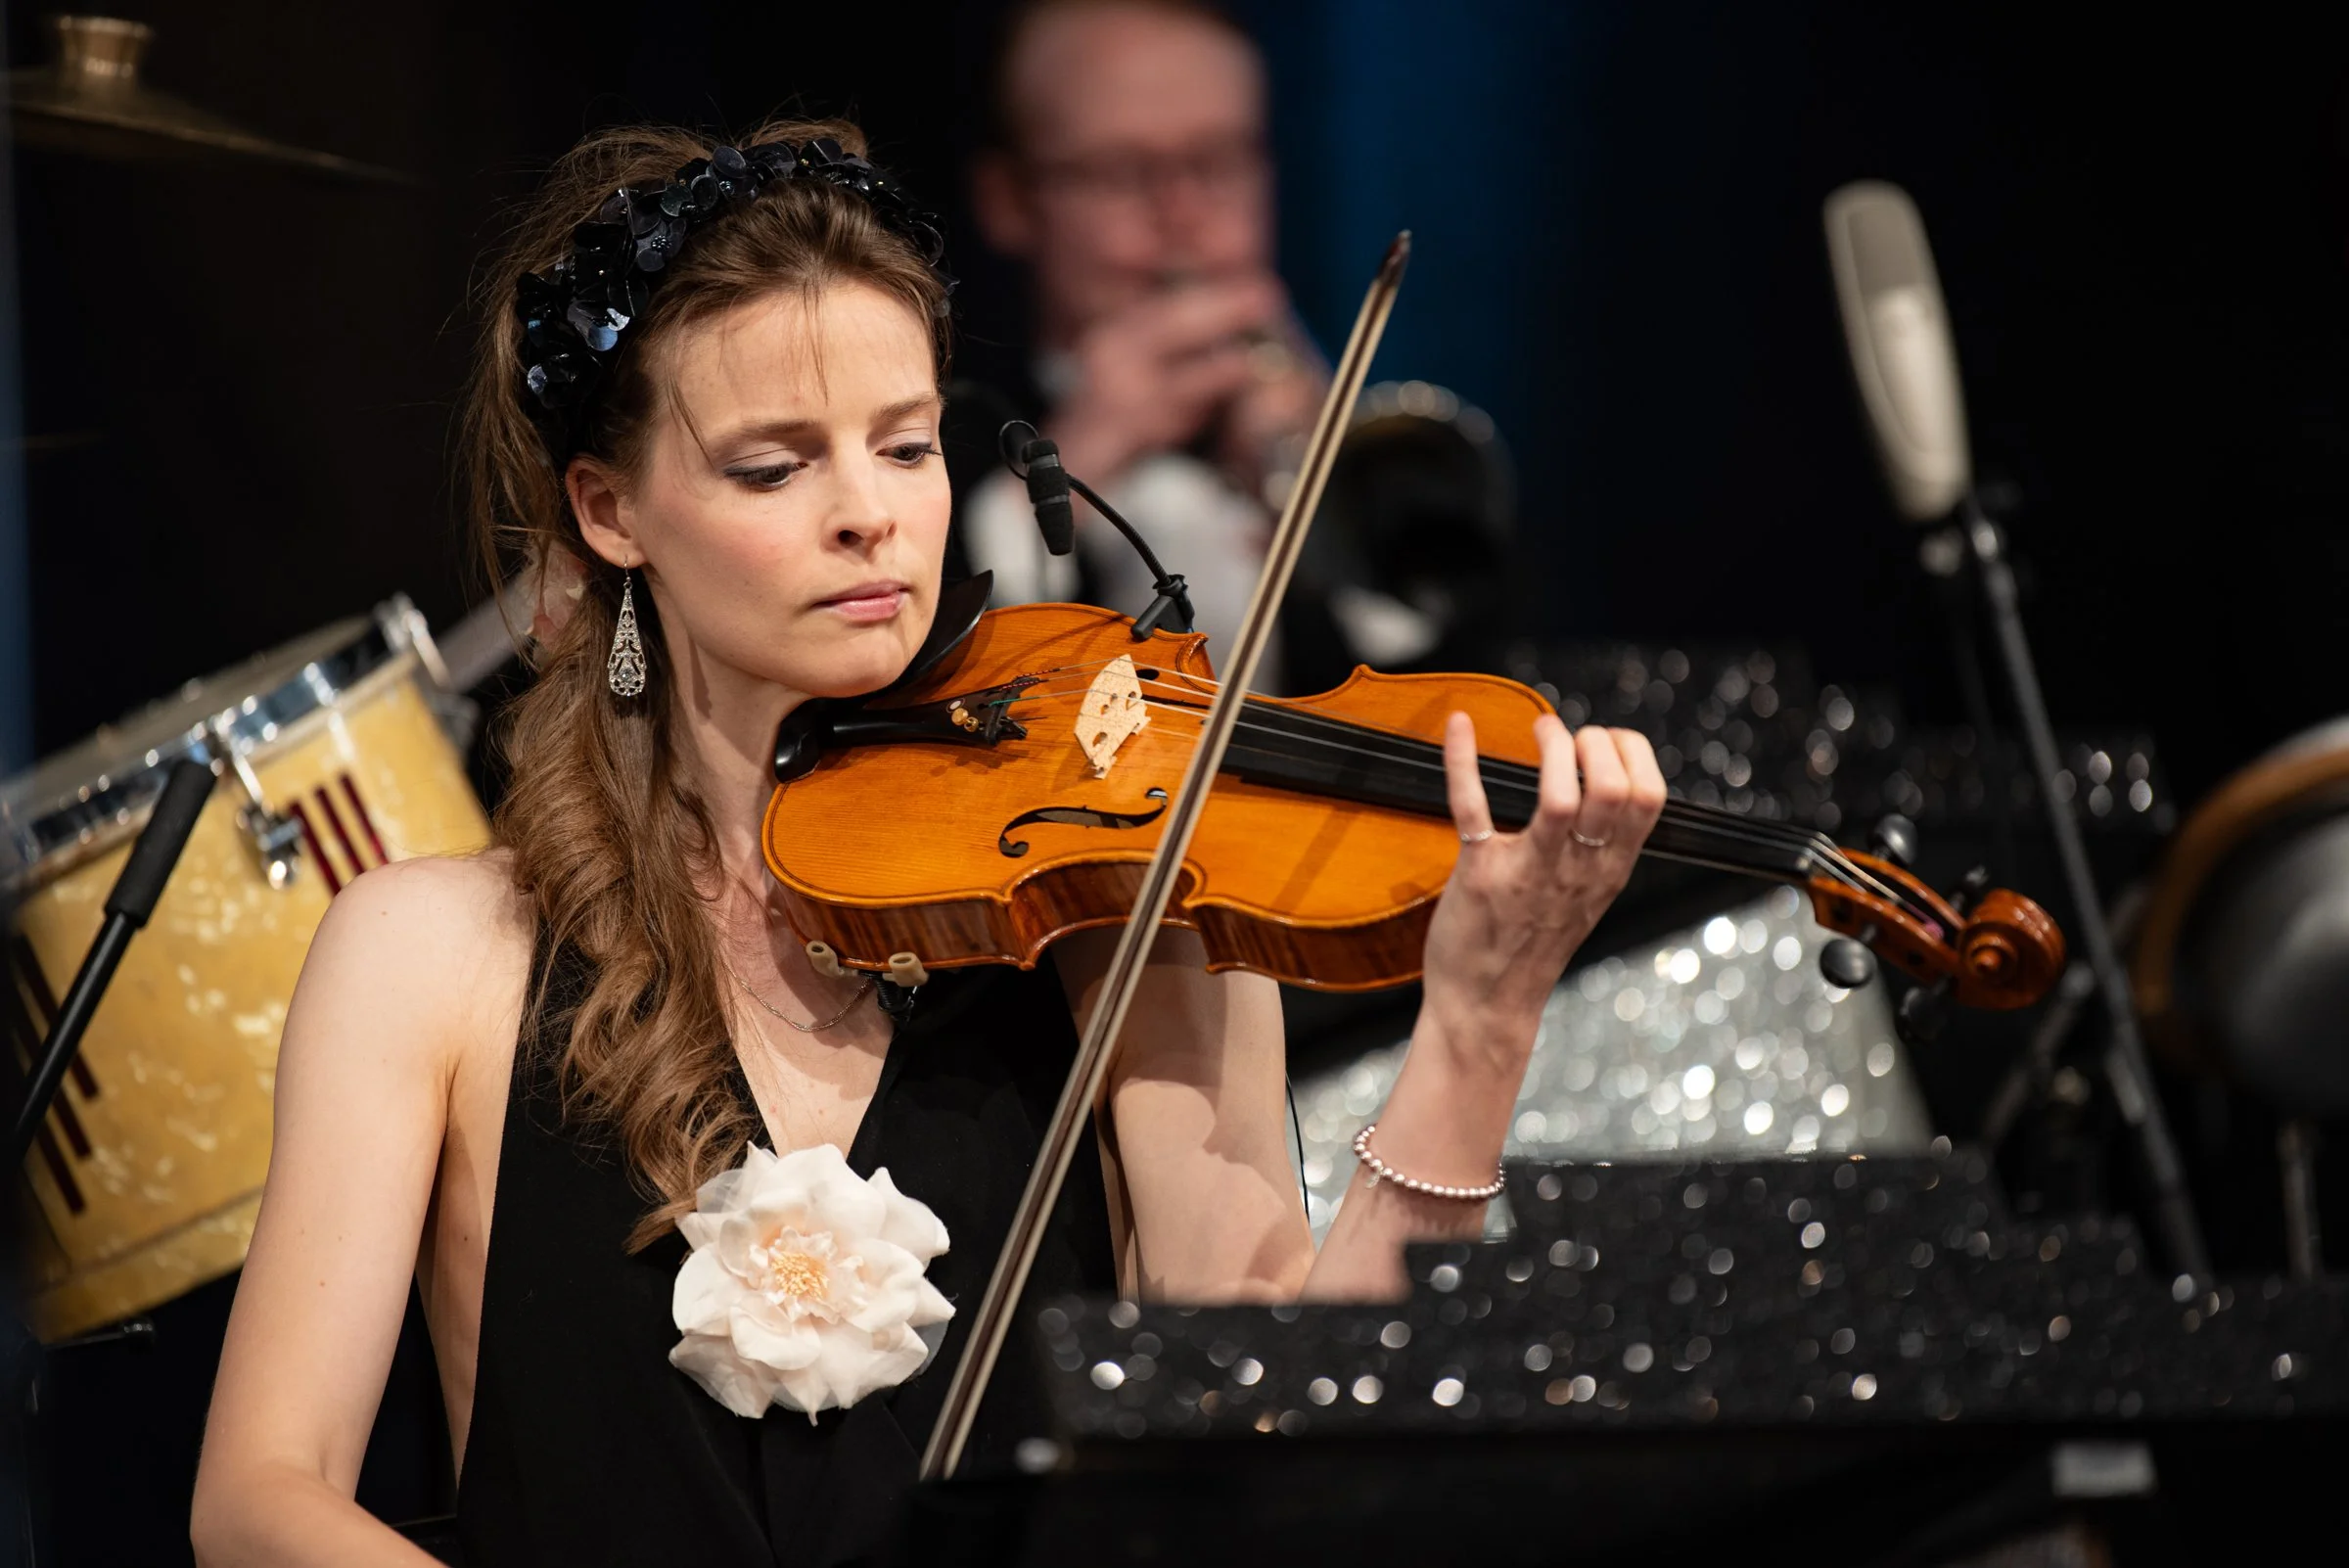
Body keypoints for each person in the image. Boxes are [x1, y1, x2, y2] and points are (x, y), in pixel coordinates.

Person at [188, 117, 1663, 1565]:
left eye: (905, 446)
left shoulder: (1117, 906)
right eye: (775, 468)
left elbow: (1279, 1434)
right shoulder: (430, 953)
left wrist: (1479, 1023)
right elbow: (261, 1496)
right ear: (610, 508)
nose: (870, 516)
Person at [955, 0, 1327, 685]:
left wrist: (1325, 501)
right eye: (1122, 171)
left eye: (1217, 162)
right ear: (1008, 199)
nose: (1183, 216)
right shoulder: (949, 433)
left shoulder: (1315, 422)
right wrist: (1067, 468)